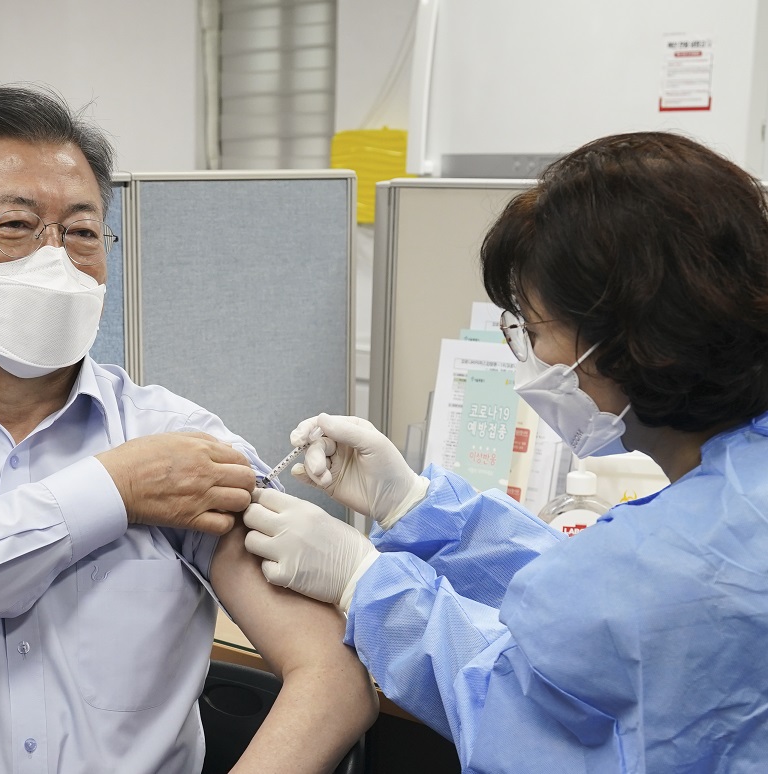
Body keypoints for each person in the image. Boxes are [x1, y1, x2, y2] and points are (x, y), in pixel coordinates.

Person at [0, 84, 377, 774]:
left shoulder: (178, 441)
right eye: (14, 227)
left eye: (79, 231)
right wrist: (114, 489)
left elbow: (333, 674)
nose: (54, 260)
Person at [242, 131, 768, 772]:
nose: (535, 358)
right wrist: (413, 507)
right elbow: (590, 611)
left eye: (536, 329)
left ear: (637, 339)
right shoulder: (733, 491)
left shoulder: (694, 559)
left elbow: (515, 710)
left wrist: (363, 581)